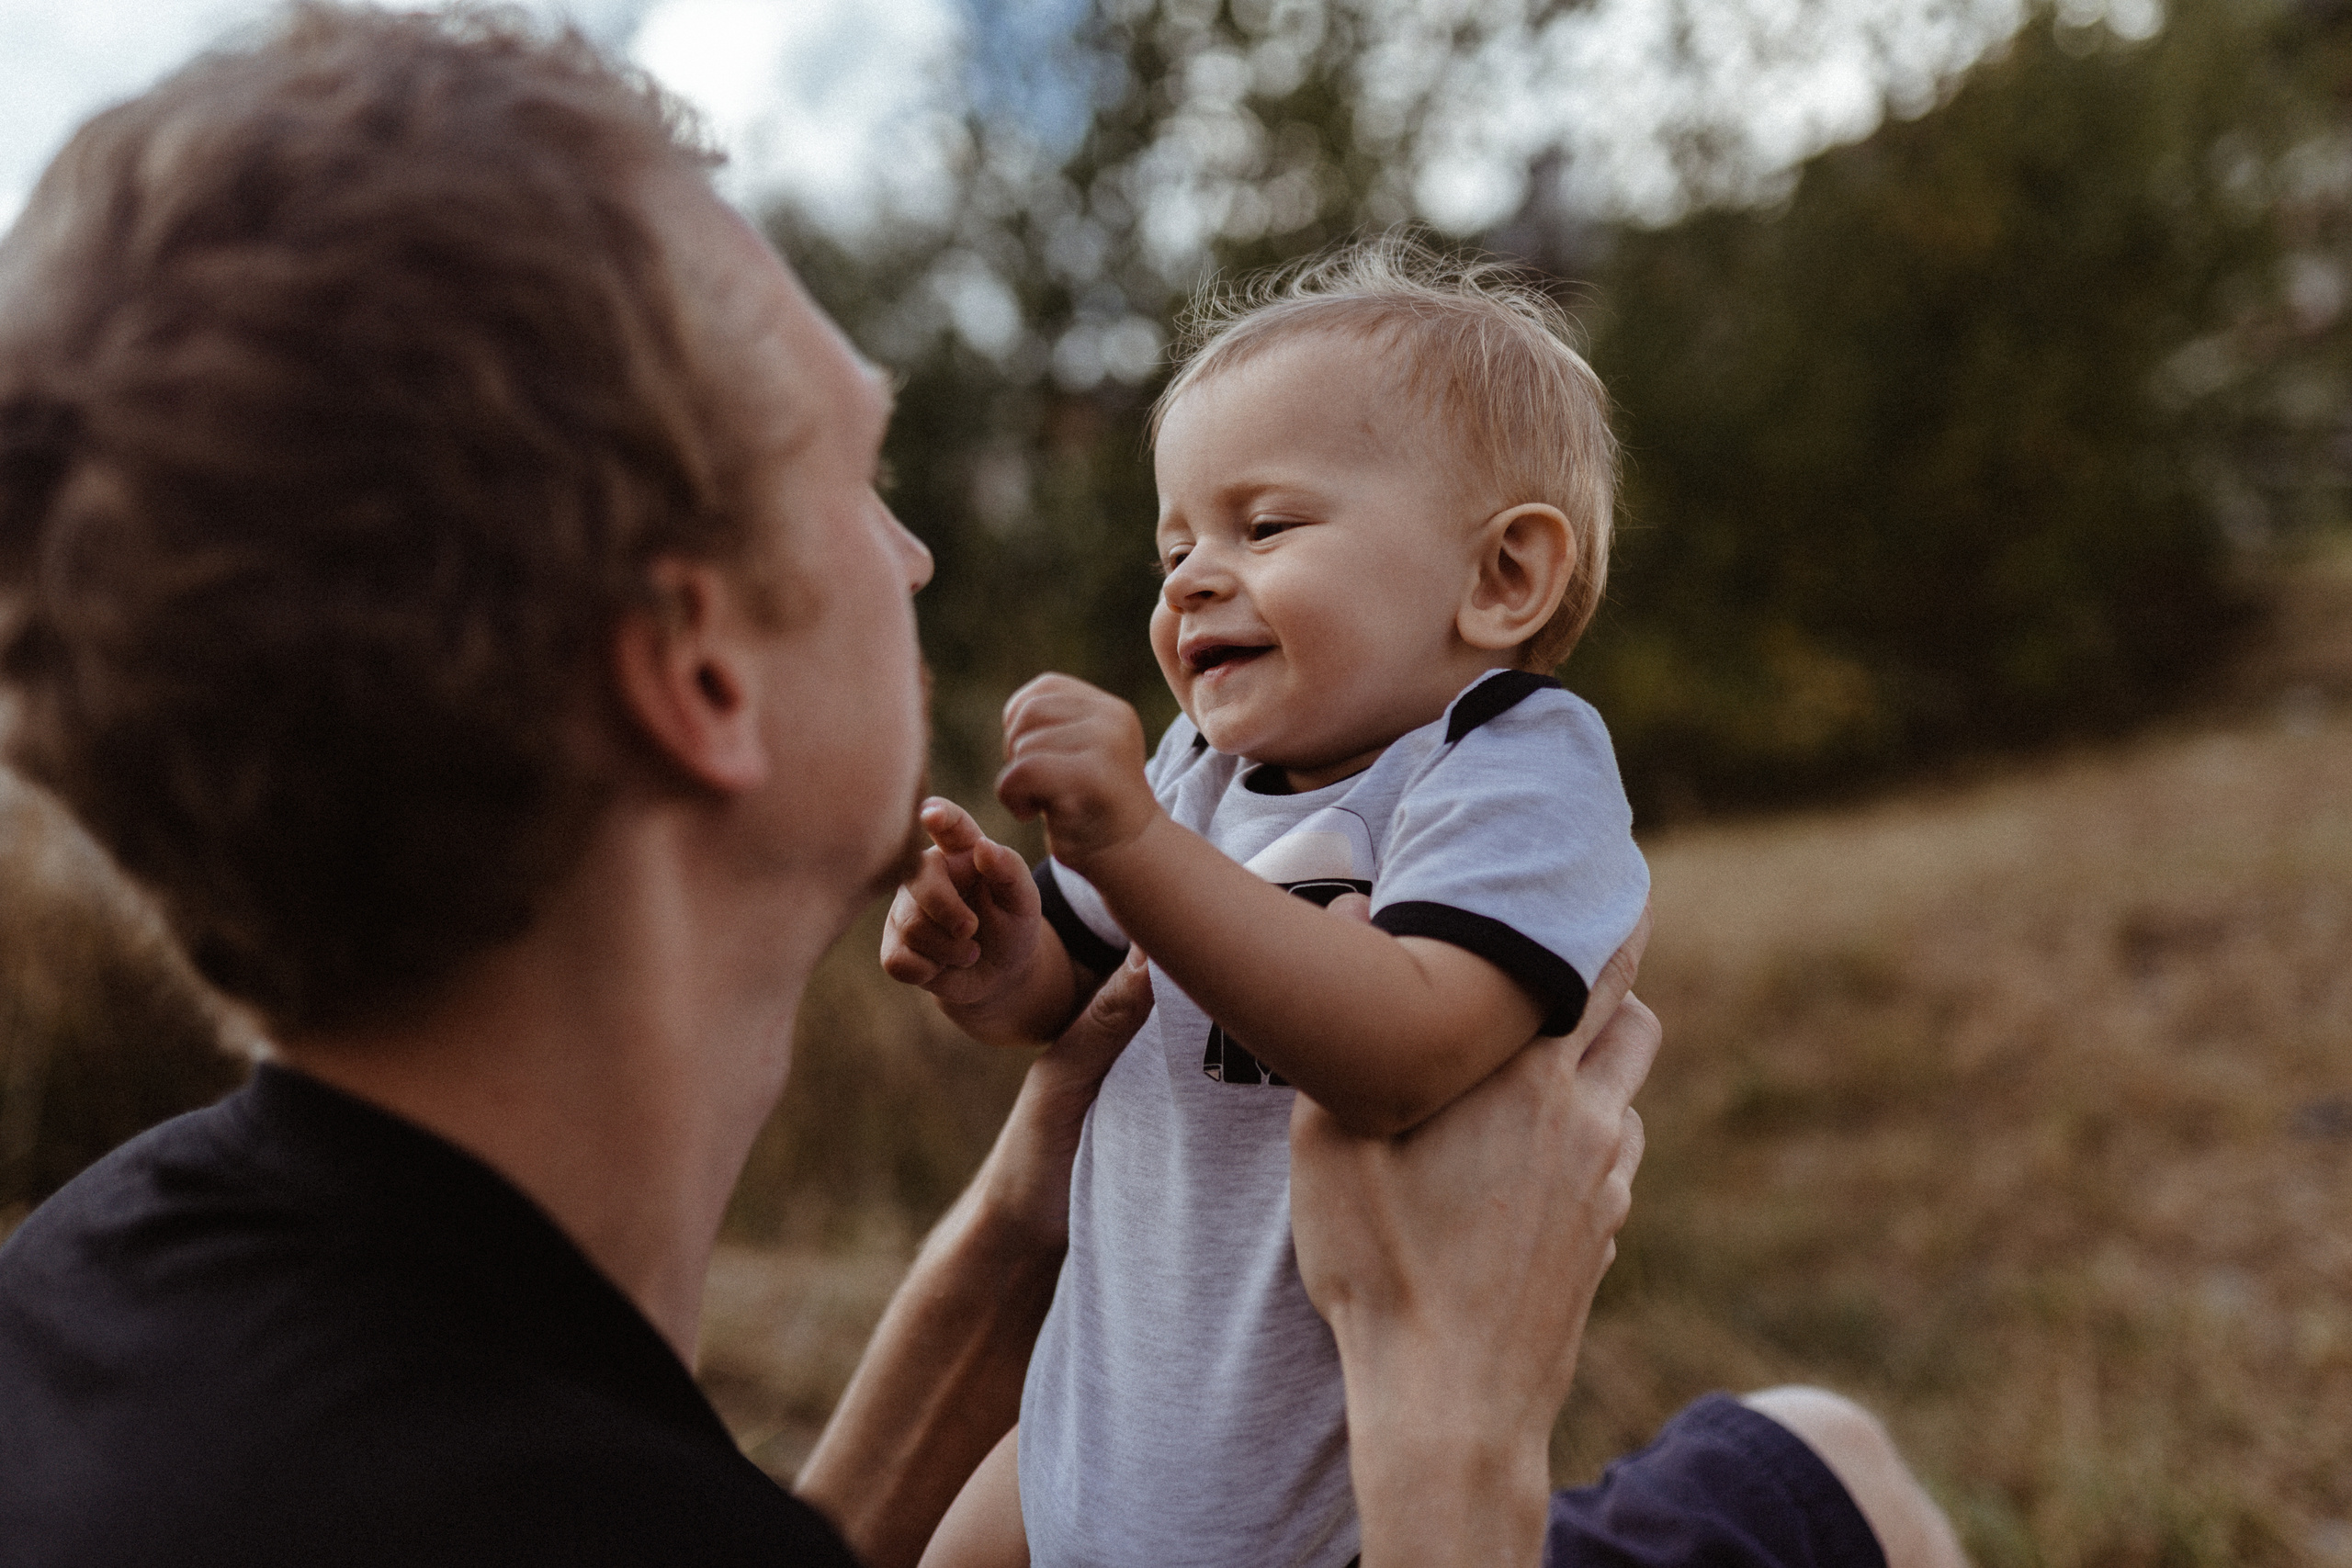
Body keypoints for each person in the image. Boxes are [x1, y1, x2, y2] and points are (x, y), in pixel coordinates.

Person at [0, 8, 1962, 1568]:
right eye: (859, 475)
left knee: (1805, 1454)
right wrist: (1451, 1423)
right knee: (1827, 1470)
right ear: (697, 669)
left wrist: (1030, 1147)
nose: (921, 555)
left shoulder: (84, 1290)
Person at [883, 240, 1648, 1568]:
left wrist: (1126, 840)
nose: (1188, 580)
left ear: (1503, 577)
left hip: (1315, 1502)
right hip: (1093, 1422)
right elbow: (1074, 992)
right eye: (1173, 544)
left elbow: (1402, 1052)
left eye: (1266, 525)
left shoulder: (1507, 763)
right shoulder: (1202, 774)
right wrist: (996, 956)